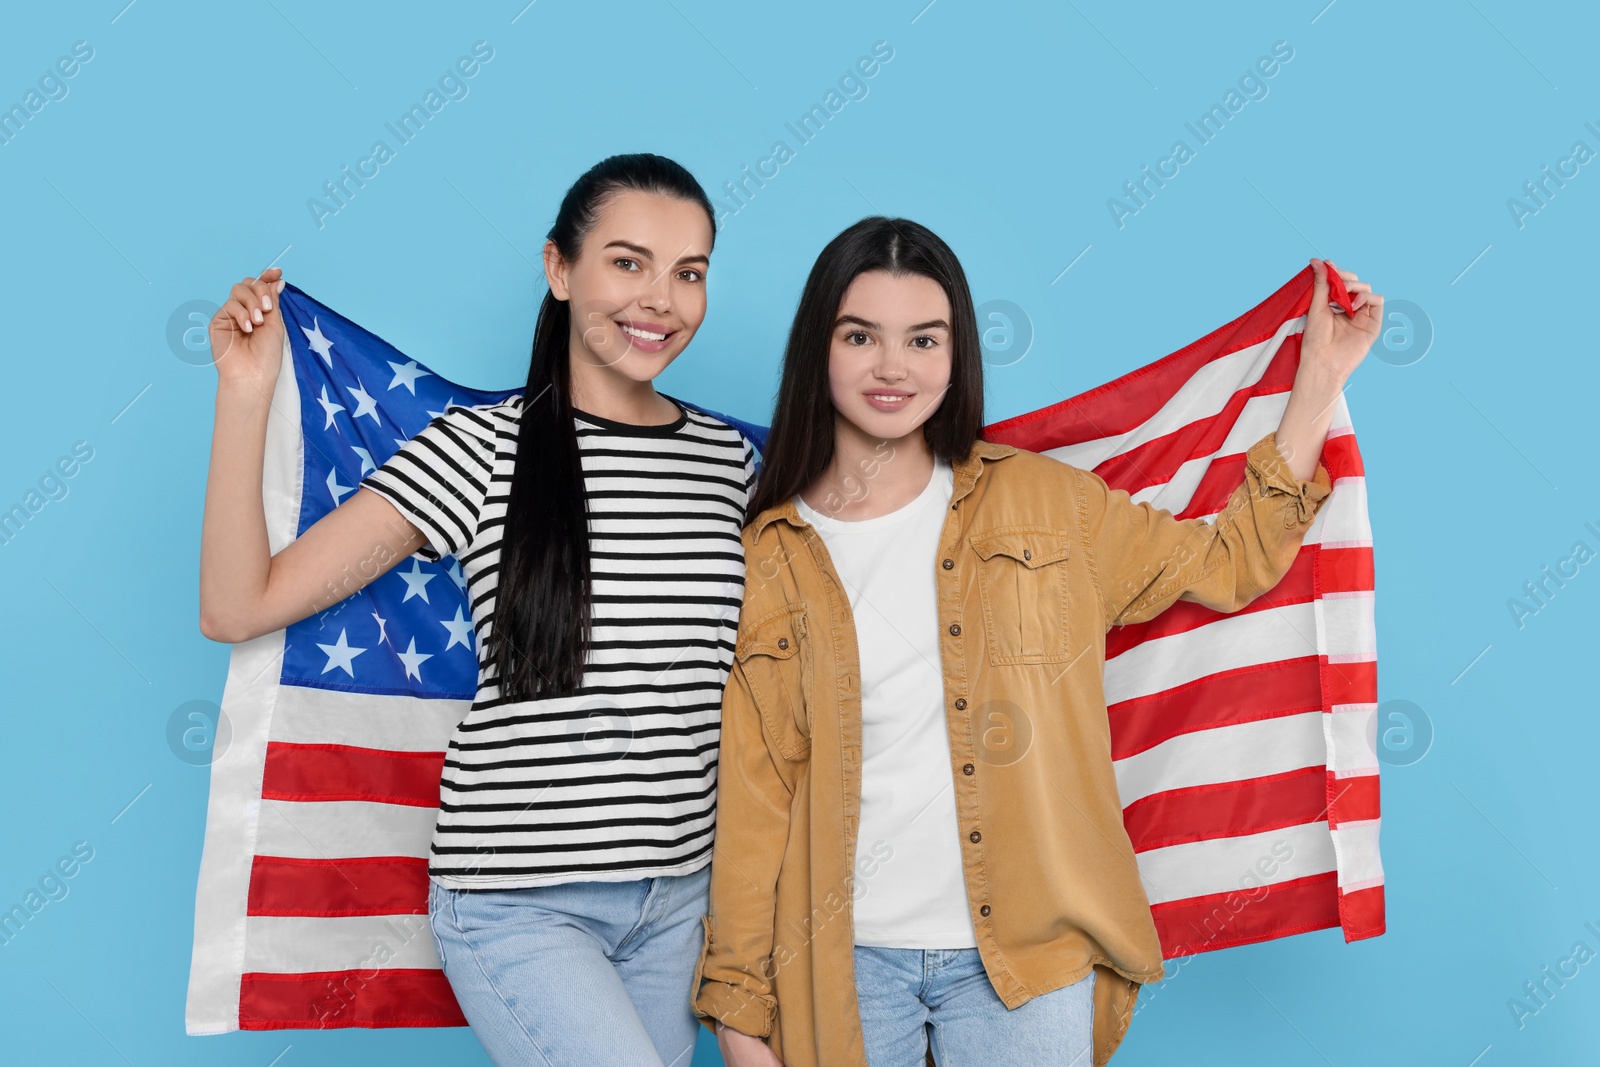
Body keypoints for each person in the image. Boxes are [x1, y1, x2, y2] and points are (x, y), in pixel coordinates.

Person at [691, 217, 1380, 1066]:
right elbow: (757, 798)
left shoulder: (1051, 504)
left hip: (1029, 952)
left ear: (957, 352)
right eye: (860, 335)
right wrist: (738, 1005)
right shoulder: (770, 554)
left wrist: (1316, 378)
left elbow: (1230, 563)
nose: (892, 366)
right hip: (841, 960)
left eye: (924, 338)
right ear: (817, 349)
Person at [198, 153, 757, 1067]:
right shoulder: (481, 448)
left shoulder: (731, 465)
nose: (662, 297)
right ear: (559, 269)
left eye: (689, 272)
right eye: (628, 261)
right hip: (519, 903)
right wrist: (245, 391)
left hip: (679, 904)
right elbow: (236, 604)